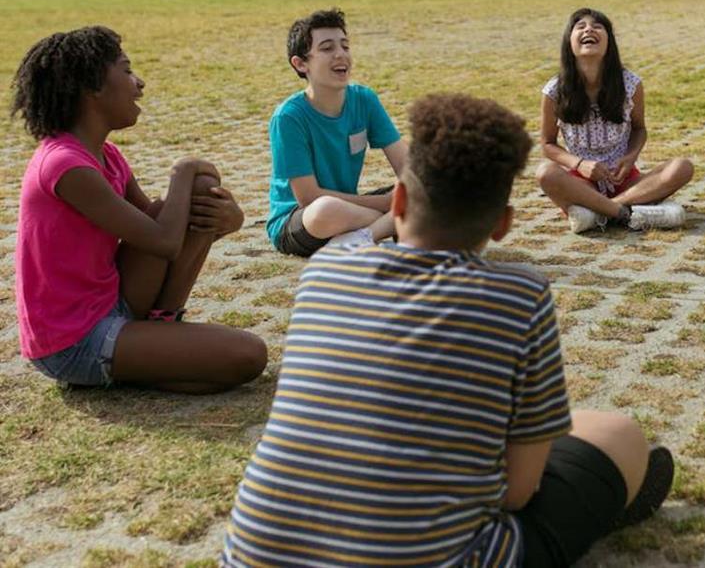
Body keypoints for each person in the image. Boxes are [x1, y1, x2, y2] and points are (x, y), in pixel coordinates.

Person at [223, 94, 674, 567]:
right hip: (437, 555)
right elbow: (518, 493)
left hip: (257, 553)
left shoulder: (326, 269)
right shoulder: (521, 297)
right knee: (619, 435)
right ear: (502, 225)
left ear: (397, 201)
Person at [12, 26, 266, 393]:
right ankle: (138, 364)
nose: (140, 82)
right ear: (93, 88)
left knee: (198, 192)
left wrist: (229, 219)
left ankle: (160, 330)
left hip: (111, 303)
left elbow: (164, 227)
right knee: (248, 355)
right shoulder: (65, 166)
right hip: (73, 342)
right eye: (127, 71)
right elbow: (164, 242)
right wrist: (183, 169)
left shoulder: (107, 156)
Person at [536, 8, 694, 234]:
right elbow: (547, 144)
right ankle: (628, 214)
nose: (589, 29)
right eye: (580, 27)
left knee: (682, 167)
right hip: (581, 183)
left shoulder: (630, 84)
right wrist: (580, 164)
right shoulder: (554, 90)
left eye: (597, 26)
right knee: (545, 173)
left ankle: (601, 212)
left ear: (609, 42)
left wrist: (630, 158)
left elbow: (639, 129)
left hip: (626, 181)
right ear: (568, 42)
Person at [267, 8, 406, 257]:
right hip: (301, 219)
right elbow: (309, 198)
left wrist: (415, 190)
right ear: (301, 64)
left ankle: (363, 237)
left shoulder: (365, 99)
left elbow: (406, 165)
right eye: (327, 48)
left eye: (345, 46)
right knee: (326, 210)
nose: (340, 55)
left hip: (351, 210)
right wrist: (389, 205)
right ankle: (391, 223)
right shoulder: (288, 117)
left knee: (428, 185)